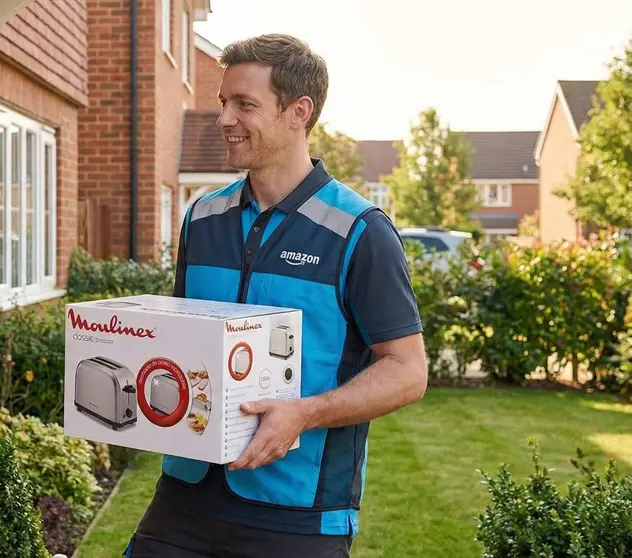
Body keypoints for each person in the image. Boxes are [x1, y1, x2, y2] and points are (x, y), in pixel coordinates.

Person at [122, 34, 429, 558]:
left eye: (245, 104)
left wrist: (304, 414)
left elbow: (408, 371)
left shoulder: (359, 231)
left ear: (298, 112)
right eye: (223, 102)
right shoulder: (202, 218)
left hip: (299, 509)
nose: (224, 118)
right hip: (185, 494)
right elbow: (182, 338)